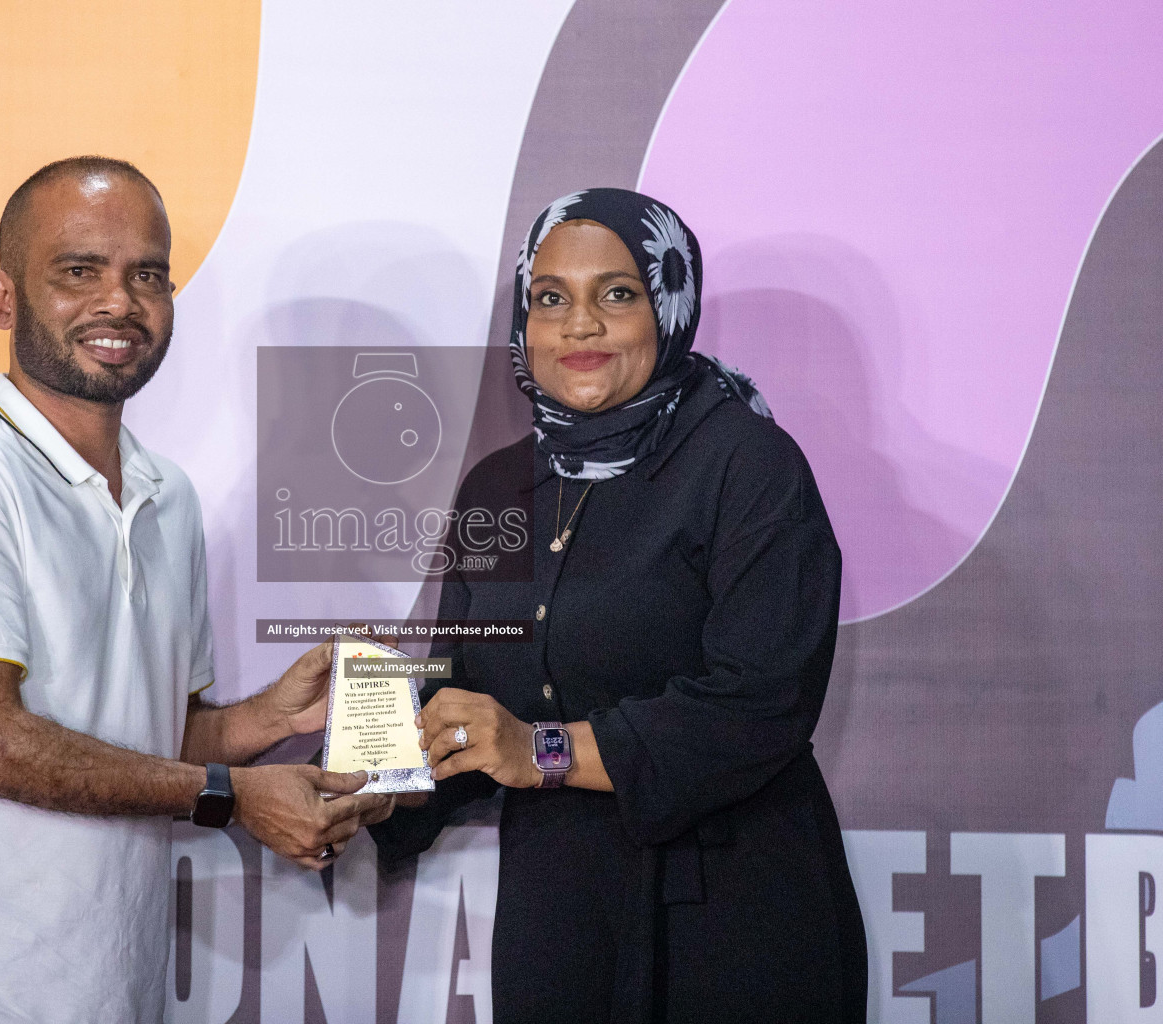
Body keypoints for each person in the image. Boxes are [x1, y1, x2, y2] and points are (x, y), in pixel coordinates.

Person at [0, 156, 392, 1023]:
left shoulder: (169, 495)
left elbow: (148, 733)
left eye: (148, 275)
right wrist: (231, 796)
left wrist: (267, 720)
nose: (119, 303)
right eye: (78, 271)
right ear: (2, 297)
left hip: (109, 990)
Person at [370, 188, 867, 1022]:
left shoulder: (748, 465)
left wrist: (542, 750)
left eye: (618, 293)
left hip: (738, 920)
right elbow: (465, 695)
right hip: (560, 924)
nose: (580, 326)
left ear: (670, 306)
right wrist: (384, 776)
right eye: (551, 298)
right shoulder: (499, 485)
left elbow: (760, 704)